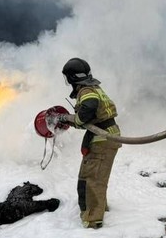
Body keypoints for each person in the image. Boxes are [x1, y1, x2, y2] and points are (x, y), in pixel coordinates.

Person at [61, 57, 121, 229]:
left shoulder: (86, 90)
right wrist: (70, 120)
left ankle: (93, 220)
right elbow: (89, 119)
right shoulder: (94, 87)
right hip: (107, 135)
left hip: (102, 138)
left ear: (72, 78)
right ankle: (99, 208)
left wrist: (73, 118)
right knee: (97, 176)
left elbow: (88, 108)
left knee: (90, 179)